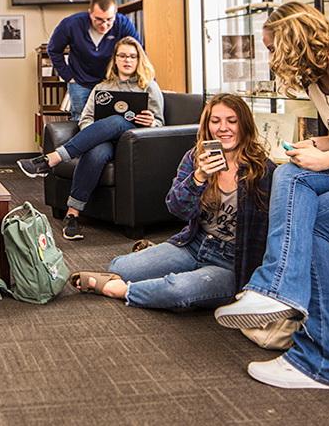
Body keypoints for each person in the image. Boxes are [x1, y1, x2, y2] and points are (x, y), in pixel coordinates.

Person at [214, 2, 329, 390]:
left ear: (294, 40)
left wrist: (324, 161)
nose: (271, 56)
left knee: (305, 207)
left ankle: (314, 354)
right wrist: (318, 143)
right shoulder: (314, 81)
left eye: (273, 47)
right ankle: (284, 301)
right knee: (291, 175)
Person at [68, 94, 275, 312]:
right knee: (121, 266)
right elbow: (178, 210)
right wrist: (199, 178)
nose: (223, 128)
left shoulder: (263, 171)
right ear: (207, 125)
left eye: (232, 121)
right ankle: (160, 260)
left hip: (232, 262)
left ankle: (119, 290)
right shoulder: (196, 158)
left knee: (179, 290)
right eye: (216, 121)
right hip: (196, 243)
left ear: (244, 125)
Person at [17, 37, 163, 239]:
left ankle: (52, 159)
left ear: (139, 60)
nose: (127, 60)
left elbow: (161, 124)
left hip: (131, 142)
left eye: (132, 56)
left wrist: (151, 122)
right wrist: (95, 134)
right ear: (115, 59)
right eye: (122, 56)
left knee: (117, 121)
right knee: (96, 151)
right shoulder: (102, 87)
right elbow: (85, 119)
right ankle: (72, 215)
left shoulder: (148, 86)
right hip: (105, 143)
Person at [46, 0, 141, 120]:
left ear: (116, 14)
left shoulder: (123, 23)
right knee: (81, 119)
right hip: (80, 82)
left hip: (111, 81)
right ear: (90, 13)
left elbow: (139, 53)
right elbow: (53, 50)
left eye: (109, 20)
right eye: (99, 20)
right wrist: (68, 77)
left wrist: (151, 83)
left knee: (111, 119)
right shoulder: (71, 24)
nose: (104, 25)